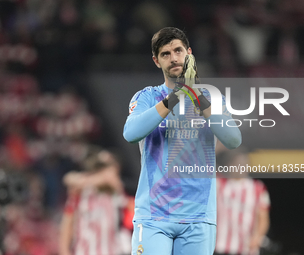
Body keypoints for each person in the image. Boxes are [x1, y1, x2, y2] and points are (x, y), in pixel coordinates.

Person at [123, 27, 242, 255]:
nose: (173, 58)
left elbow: (233, 139)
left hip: (198, 217)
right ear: (157, 62)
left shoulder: (212, 98)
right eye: (165, 54)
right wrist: (175, 97)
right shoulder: (146, 97)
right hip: (153, 216)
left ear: (189, 53)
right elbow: (131, 133)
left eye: (178, 50)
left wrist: (195, 95)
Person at [59, 148, 131, 255]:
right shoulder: (81, 192)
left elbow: (132, 213)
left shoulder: (116, 193)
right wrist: (64, 252)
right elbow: (67, 225)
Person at [215, 148, 270, 255]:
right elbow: (208, 166)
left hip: (246, 248)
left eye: (243, 164)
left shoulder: (258, 188)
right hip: (220, 246)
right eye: (236, 163)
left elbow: (263, 217)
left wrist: (257, 238)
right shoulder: (220, 184)